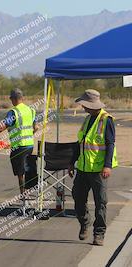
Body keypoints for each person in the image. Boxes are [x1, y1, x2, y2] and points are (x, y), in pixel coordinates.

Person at [68, 89, 118, 246]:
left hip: (98, 170)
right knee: (78, 197)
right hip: (83, 169)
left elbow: (110, 145)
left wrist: (107, 166)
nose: (83, 108)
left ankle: (99, 233)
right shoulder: (87, 119)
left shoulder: (106, 120)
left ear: (92, 105)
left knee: (100, 202)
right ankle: (84, 223)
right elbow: (80, 143)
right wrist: (71, 162)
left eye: (85, 105)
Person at [0, 88, 38, 199]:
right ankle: (28, 193)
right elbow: (36, 127)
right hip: (30, 145)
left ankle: (23, 196)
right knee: (27, 169)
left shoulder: (14, 112)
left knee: (20, 173)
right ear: (22, 98)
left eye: (11, 99)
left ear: (14, 99)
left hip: (19, 147)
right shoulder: (31, 110)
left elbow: (2, 127)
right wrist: (29, 134)